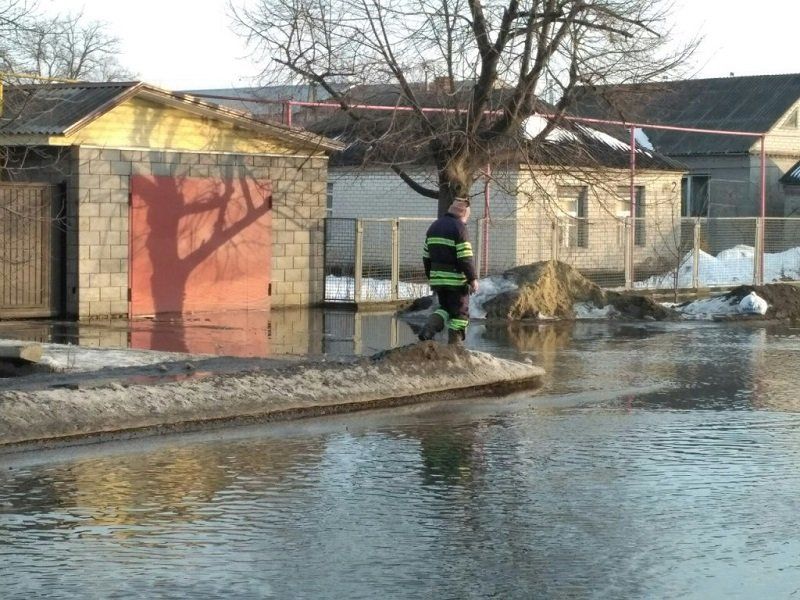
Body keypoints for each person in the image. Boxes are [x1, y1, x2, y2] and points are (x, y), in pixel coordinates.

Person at [418, 199, 479, 345]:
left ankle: (428, 330)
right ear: (463, 213)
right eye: (467, 216)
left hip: (438, 278)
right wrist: (472, 279)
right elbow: (465, 258)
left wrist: (432, 276)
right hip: (456, 280)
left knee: (444, 308)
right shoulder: (460, 228)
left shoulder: (434, 226)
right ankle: (455, 347)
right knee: (460, 312)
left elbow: (426, 256)